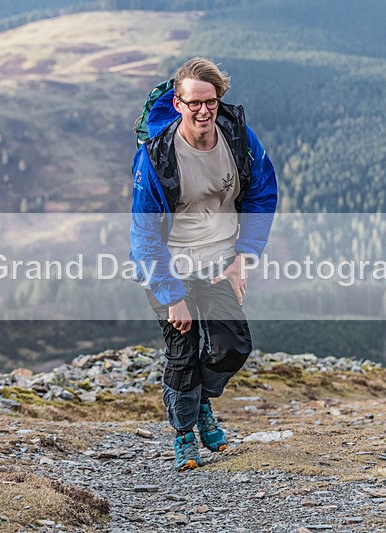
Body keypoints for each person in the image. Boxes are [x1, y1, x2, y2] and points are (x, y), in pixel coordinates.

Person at [129, 57, 278, 471]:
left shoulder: (239, 139)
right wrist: (172, 296)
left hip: (218, 262)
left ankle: (202, 405)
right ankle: (183, 435)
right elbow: (143, 235)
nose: (203, 111)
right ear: (178, 103)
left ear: (219, 100)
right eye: (193, 102)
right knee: (183, 353)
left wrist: (243, 258)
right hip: (167, 266)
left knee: (232, 348)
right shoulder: (156, 157)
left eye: (210, 101)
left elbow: (262, 195)